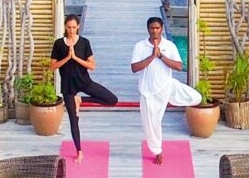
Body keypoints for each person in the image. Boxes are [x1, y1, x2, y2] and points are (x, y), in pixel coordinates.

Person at [130, 16, 202, 164]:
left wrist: (161, 56)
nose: (154, 31)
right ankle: (157, 151)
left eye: (157, 28)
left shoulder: (169, 46)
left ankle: (173, 99)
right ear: (148, 29)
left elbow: (179, 66)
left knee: (196, 97)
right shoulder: (140, 46)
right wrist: (152, 56)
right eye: (152, 28)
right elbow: (134, 68)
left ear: (161, 29)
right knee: (152, 125)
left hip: (167, 86)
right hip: (147, 92)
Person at [50, 14, 119, 160]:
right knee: (73, 121)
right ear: (65, 27)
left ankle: (81, 100)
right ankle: (79, 152)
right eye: (68, 27)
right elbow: (52, 66)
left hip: (84, 81)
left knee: (112, 99)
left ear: (78, 26)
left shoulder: (84, 43)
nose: (71, 30)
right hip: (68, 87)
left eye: (74, 27)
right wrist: (67, 58)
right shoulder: (59, 44)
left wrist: (75, 58)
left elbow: (92, 66)